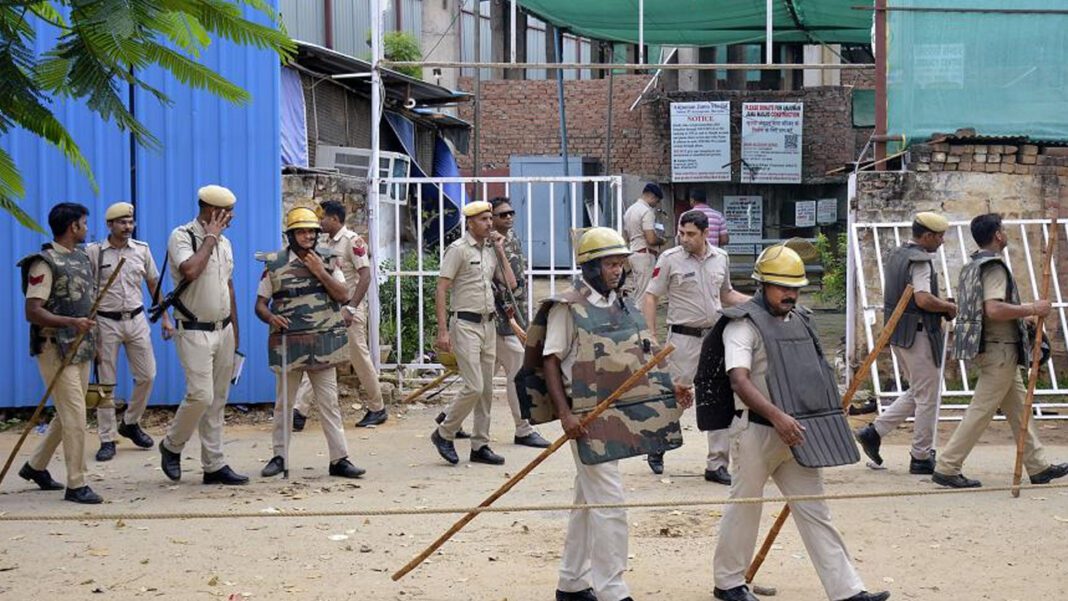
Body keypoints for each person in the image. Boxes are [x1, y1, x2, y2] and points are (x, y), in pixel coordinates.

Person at [710, 244, 889, 601]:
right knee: (745, 506)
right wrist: (778, 417)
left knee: (815, 510)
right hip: (757, 431)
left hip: (798, 432)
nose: (790, 294)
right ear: (763, 285)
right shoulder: (741, 325)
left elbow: (814, 369)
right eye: (782, 286)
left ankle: (848, 590)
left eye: (795, 287)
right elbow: (739, 381)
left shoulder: (803, 319)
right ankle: (728, 583)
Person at [531, 227, 680, 601]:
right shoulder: (568, 308)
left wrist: (669, 390)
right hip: (585, 419)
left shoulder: (624, 304)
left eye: (621, 264)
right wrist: (565, 415)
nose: (618, 270)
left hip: (619, 416)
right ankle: (612, 588)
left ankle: (572, 582)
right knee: (609, 502)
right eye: (611, 264)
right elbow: (550, 361)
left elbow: (640, 357)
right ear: (591, 267)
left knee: (588, 499)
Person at [932, 213, 1068, 488]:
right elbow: (993, 309)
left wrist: (1023, 317)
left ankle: (1038, 465)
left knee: (1020, 410)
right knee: (980, 410)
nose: (1005, 234)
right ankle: (947, 466)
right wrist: (1032, 308)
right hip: (1000, 350)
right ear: (997, 235)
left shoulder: (972, 266)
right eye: (1003, 230)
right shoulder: (993, 267)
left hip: (990, 347)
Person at [255, 207, 365, 479]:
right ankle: (279, 456)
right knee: (284, 405)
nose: (307, 236)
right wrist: (271, 317)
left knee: (329, 403)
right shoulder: (274, 264)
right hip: (288, 344)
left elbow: (343, 295)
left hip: (324, 342)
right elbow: (259, 305)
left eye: (311, 232)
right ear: (290, 235)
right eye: (301, 232)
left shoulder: (329, 260)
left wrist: (319, 272)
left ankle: (340, 459)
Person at [643, 209, 749, 481]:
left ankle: (717, 464)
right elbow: (651, 296)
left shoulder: (721, 258)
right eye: (681, 233)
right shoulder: (670, 259)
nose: (684, 238)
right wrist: (651, 336)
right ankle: (658, 443)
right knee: (676, 396)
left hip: (715, 337)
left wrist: (756, 303)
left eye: (690, 234)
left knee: (718, 397)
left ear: (705, 234)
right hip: (682, 339)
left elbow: (726, 295)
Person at [158, 185, 248, 486]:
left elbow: (229, 287)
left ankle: (214, 465)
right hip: (194, 330)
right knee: (201, 394)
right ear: (213, 212)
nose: (232, 217)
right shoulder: (182, 236)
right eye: (228, 212)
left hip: (223, 330)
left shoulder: (226, 243)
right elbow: (190, 271)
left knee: (217, 400)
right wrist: (209, 237)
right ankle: (171, 445)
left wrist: (236, 332)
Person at [855, 212, 957, 474]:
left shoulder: (897, 254)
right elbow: (923, 299)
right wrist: (946, 306)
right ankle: (921, 456)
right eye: (939, 236)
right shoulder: (920, 261)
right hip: (919, 333)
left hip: (901, 333)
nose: (942, 241)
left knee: (921, 390)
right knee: (928, 397)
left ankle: (874, 432)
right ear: (926, 236)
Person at [16, 203, 103, 504]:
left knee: (69, 412)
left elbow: (87, 304)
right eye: (83, 223)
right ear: (73, 227)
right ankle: (76, 484)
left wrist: (96, 342)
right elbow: (33, 311)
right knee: (75, 415)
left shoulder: (80, 258)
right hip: (55, 348)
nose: (87, 228)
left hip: (81, 347)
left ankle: (35, 466)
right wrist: (70, 323)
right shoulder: (44, 263)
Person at [430, 201, 517, 466]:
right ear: (470, 223)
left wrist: (500, 250)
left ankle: (480, 444)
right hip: (465, 324)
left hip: (488, 324)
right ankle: (444, 432)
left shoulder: (490, 249)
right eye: (483, 219)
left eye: (490, 218)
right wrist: (443, 331)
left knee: (487, 390)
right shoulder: (458, 250)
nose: (489, 223)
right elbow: (442, 289)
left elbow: (510, 282)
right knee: (474, 385)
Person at [86, 202, 174, 462]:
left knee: (148, 375)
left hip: (136, 319)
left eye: (130, 222)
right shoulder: (94, 253)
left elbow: (153, 285)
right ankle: (107, 438)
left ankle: (131, 422)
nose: (127, 227)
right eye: (122, 222)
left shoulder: (141, 250)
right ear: (110, 225)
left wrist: (166, 319)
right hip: (105, 323)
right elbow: (86, 292)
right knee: (106, 383)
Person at [290, 200, 385, 432]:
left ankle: (377, 407)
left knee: (359, 359)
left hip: (349, 311)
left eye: (322, 218)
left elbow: (365, 276)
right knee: (320, 357)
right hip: (333, 311)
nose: (319, 223)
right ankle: (298, 411)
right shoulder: (327, 244)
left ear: (334, 219)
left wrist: (351, 308)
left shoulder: (353, 241)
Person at [489, 196, 549, 448]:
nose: (509, 217)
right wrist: (510, 314)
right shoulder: (489, 243)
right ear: (491, 218)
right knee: (517, 372)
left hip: (515, 312)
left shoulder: (511, 238)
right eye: (503, 215)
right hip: (502, 317)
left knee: (482, 376)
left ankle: (449, 418)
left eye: (511, 213)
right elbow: (500, 284)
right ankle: (523, 428)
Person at [622, 182, 665, 299]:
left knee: (632, 293)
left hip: (632, 253)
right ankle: (641, 317)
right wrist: (662, 240)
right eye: (656, 201)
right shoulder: (647, 211)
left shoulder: (630, 210)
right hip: (644, 256)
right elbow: (651, 239)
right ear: (652, 196)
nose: (656, 205)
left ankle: (630, 316)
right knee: (643, 295)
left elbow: (625, 236)